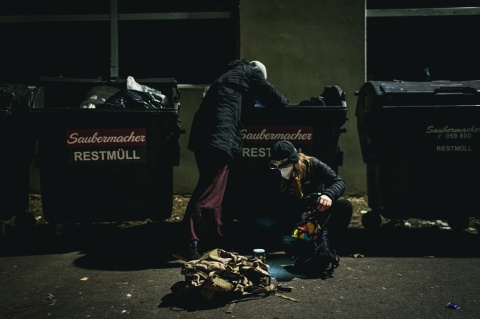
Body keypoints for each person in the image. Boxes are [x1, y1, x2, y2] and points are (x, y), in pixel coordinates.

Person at [175, 59, 289, 260]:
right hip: (218, 142)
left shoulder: (228, 78)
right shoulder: (250, 72)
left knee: (217, 194)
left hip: (205, 140)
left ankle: (216, 240)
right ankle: (189, 241)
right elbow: (275, 99)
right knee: (208, 194)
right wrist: (284, 106)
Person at [256, 140, 353, 252]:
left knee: (344, 206)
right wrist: (299, 215)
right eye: (277, 165)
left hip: (318, 211)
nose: (281, 169)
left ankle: (331, 245)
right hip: (295, 218)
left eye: (285, 165)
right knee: (266, 224)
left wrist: (328, 195)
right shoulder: (275, 173)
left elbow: (338, 182)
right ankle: (294, 242)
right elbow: (275, 204)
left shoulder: (312, 164)